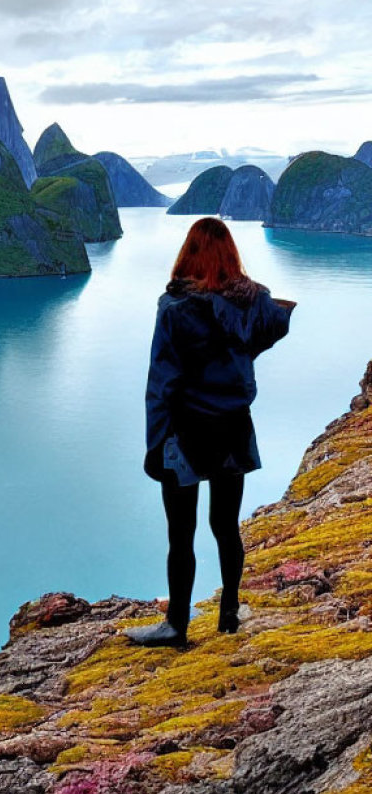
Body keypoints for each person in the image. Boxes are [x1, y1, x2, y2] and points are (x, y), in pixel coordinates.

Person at [126, 217, 295, 648]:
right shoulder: (250, 302)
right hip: (232, 428)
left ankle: (177, 626)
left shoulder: (175, 308)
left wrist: (155, 445)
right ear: (230, 256)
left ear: (189, 254)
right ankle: (230, 615)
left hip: (184, 433)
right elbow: (277, 320)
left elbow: (161, 382)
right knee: (226, 526)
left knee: (180, 534)